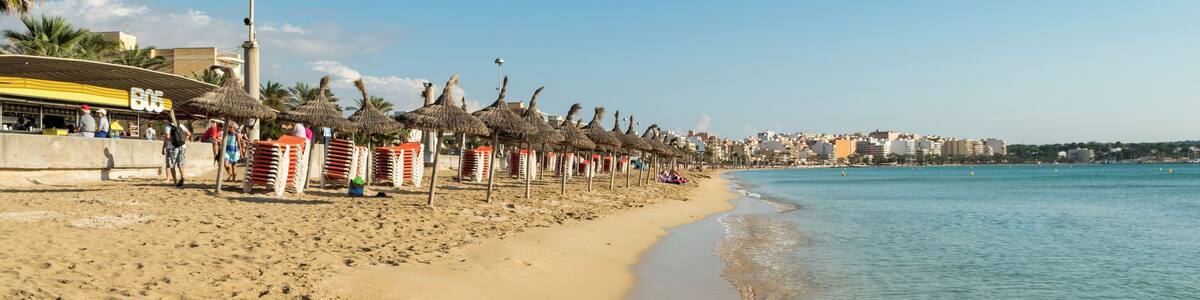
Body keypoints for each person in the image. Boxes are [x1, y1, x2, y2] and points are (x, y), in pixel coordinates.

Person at [162, 121, 192, 188]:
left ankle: (175, 181)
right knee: (180, 163)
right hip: (182, 147)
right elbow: (189, 134)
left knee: (172, 165)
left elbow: (167, 136)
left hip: (172, 148)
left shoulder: (168, 127)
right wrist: (183, 141)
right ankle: (182, 177)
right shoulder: (181, 125)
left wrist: (173, 142)